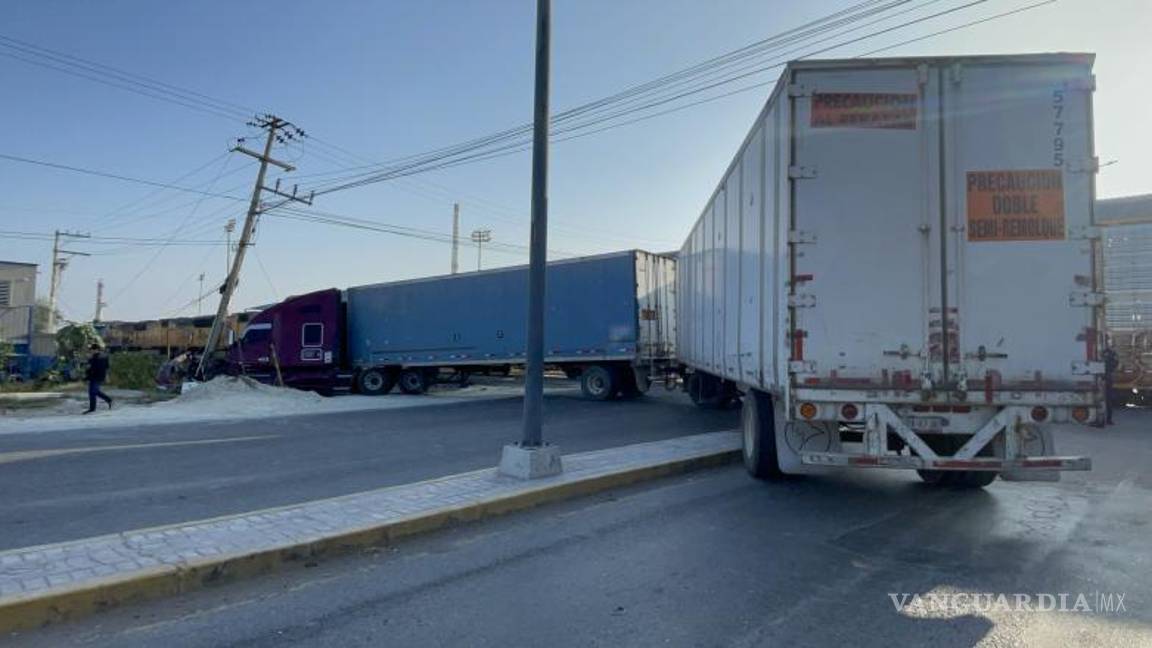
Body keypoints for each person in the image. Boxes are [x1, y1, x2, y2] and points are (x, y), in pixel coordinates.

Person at [84, 344, 113, 414]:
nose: (91, 351)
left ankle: (92, 408)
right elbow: (107, 367)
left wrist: (87, 375)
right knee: (94, 392)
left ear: (96, 350)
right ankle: (108, 400)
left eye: (92, 350)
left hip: (95, 376)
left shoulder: (94, 358)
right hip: (97, 376)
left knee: (93, 392)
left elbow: (90, 368)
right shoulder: (103, 357)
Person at [1102, 344, 1119, 426]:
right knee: (1108, 400)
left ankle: (1102, 418)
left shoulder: (1103, 353)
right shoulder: (1113, 355)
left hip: (1102, 378)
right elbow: (1115, 364)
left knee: (1101, 399)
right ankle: (1108, 419)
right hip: (1108, 378)